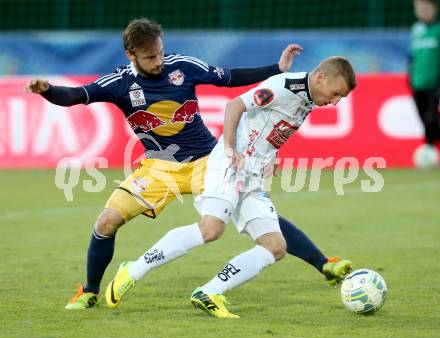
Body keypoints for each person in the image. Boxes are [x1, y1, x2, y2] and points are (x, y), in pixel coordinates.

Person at [25, 18, 352, 310]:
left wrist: (276, 69)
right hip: (159, 167)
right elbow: (76, 95)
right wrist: (47, 90)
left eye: (160, 52)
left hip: (207, 161)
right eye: (150, 56)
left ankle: (322, 263)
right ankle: (91, 290)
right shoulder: (119, 83)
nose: (158, 61)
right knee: (107, 221)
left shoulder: (183, 66)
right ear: (132, 55)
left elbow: (231, 78)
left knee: (260, 216)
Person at [105, 56, 357, 318]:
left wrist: (272, 157)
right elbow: (235, 106)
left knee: (275, 246)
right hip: (230, 164)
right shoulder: (285, 86)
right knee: (211, 228)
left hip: (253, 175)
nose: (335, 101)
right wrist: (228, 148)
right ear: (320, 78)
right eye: (336, 93)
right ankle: (133, 270)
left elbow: (270, 128)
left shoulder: (307, 99)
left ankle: (210, 292)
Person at [410, 0, 440, 167]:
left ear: (434, 9)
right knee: (425, 120)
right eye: (419, 8)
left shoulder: (438, 30)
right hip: (417, 83)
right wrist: (410, 78)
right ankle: (430, 150)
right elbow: (412, 58)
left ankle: (429, 149)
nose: (423, 11)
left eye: (426, 8)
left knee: (431, 118)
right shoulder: (416, 30)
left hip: (434, 84)